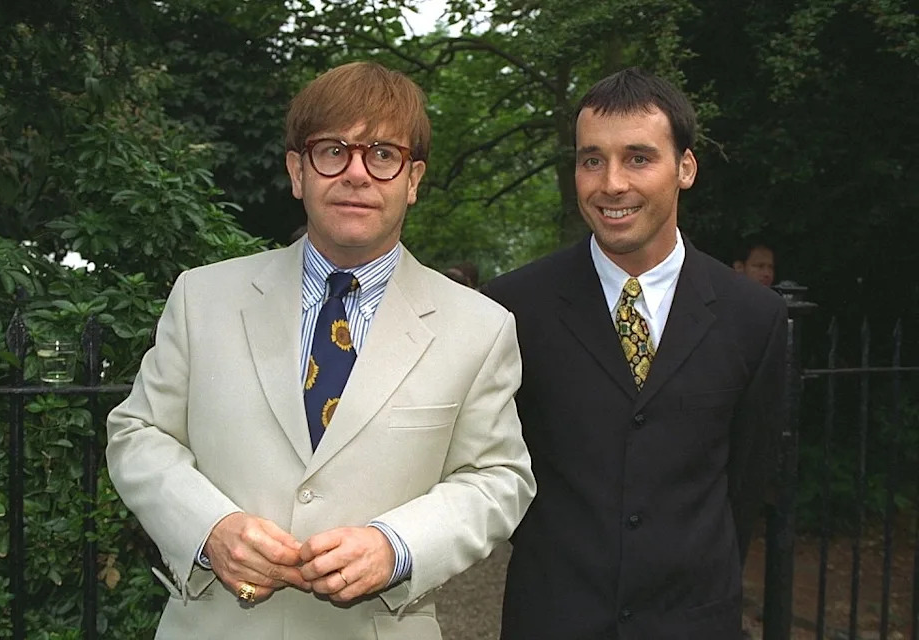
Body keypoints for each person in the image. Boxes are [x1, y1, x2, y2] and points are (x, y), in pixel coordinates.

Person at [106, 61, 535, 639]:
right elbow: (139, 434)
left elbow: (497, 477)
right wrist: (209, 529)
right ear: (297, 171)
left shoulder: (478, 328)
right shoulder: (202, 297)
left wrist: (397, 546)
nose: (356, 173)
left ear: (413, 179)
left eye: (383, 154)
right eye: (333, 150)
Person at [484, 68, 787, 639]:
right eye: (591, 159)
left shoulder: (754, 317)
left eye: (639, 158)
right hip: (552, 619)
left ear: (686, 168)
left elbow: (744, 486)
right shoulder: (512, 307)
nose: (611, 183)